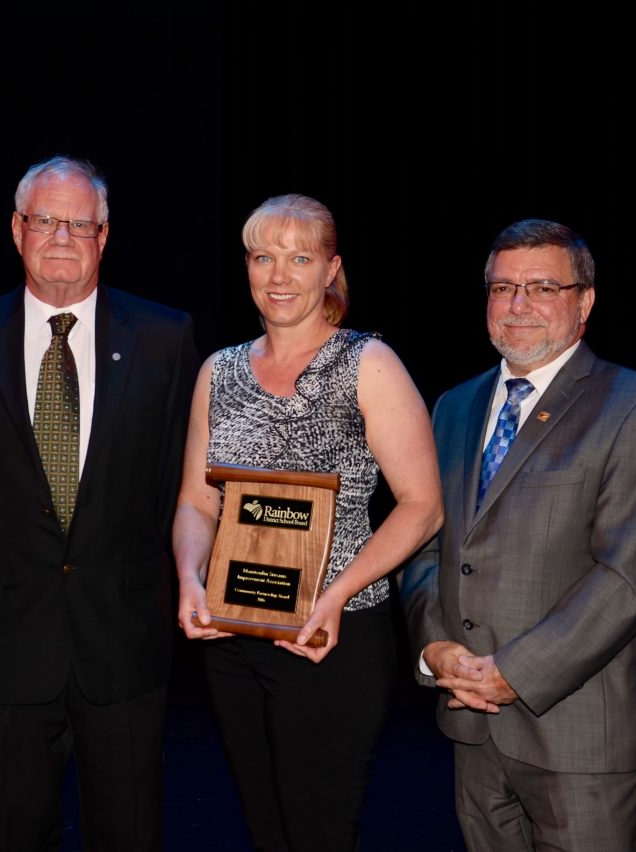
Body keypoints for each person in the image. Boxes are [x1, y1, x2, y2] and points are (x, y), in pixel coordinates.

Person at [0, 155, 199, 852]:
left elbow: (181, 479)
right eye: (46, 220)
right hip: (4, 638)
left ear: (105, 236)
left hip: (124, 638)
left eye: (81, 223)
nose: (63, 236)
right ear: (17, 230)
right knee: (16, 834)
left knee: (131, 834)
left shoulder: (167, 339)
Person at [400, 218, 636, 851]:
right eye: (502, 288)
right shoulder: (454, 405)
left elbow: (628, 578)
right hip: (470, 722)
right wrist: (436, 649)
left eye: (542, 287)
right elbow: (423, 542)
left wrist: (516, 672)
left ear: (584, 302)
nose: (518, 305)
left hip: (582, 731)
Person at [173, 194, 443, 852]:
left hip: (333, 638)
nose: (279, 275)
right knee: (266, 830)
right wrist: (187, 576)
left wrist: (337, 595)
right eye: (264, 257)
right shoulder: (219, 370)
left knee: (319, 833)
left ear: (331, 269)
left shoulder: (367, 364)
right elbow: (195, 502)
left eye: (300, 257)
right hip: (235, 635)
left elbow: (423, 506)